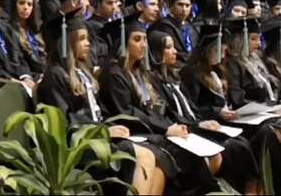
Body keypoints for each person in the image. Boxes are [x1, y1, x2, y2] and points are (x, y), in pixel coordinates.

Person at [37, 14, 166, 195]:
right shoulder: (55, 77)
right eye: (81, 39)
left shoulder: (82, 73)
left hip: (96, 136)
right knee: (144, 157)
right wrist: (103, 131)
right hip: (79, 146)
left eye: (88, 39)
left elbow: (99, 113)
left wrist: (112, 127)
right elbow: (64, 124)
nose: (88, 44)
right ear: (66, 43)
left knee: (158, 162)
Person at [98, 17, 220, 194]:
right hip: (136, 133)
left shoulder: (141, 72)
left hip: (152, 130)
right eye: (137, 39)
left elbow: (157, 108)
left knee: (196, 155)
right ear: (123, 43)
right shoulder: (114, 73)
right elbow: (128, 113)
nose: (143, 45)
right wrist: (167, 129)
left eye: (145, 39)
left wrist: (176, 126)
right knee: (179, 158)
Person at [148, 31, 260, 194]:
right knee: (231, 147)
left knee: (240, 143)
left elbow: (191, 107)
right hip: (182, 129)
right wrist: (201, 122)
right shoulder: (161, 79)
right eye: (169, 48)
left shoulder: (173, 75)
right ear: (156, 52)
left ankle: (248, 188)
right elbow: (171, 113)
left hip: (194, 123)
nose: (175, 51)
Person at [225, 18, 280, 106]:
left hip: (267, 108)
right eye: (253, 39)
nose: (259, 44)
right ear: (240, 40)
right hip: (249, 112)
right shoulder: (232, 63)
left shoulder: (257, 58)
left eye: (259, 39)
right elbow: (237, 98)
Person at [4, 0, 47, 76]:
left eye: (29, 4)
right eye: (22, 3)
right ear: (14, 5)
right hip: (27, 75)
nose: (26, 7)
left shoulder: (34, 29)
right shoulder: (9, 30)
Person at [150, 0, 198, 64]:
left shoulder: (191, 28)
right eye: (180, 4)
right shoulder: (164, 26)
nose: (184, 9)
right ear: (171, 6)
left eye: (187, 5)